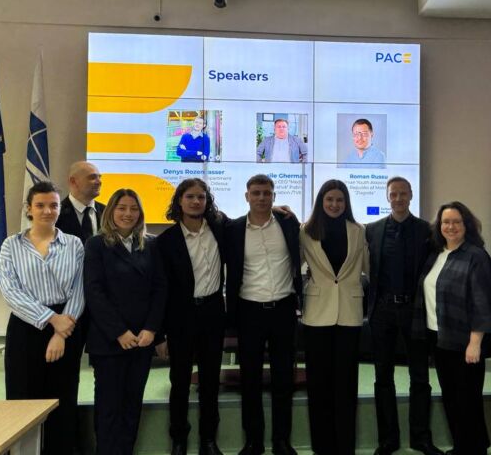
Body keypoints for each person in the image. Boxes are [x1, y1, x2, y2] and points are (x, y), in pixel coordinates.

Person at [0, 181, 85, 455]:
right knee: (23, 397)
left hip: (67, 327)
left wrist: (60, 331)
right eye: (41, 205)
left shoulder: (74, 244)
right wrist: (50, 319)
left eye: (54, 205)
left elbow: (80, 289)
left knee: (62, 398)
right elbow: (10, 291)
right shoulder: (11, 245)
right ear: (29, 209)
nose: (48, 211)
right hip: (26, 328)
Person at [83, 189, 166, 455]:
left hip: (142, 340)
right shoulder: (96, 244)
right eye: (121, 208)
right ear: (111, 211)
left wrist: (151, 329)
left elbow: (160, 289)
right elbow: (94, 292)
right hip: (109, 341)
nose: (128, 214)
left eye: (133, 208)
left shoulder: (151, 244)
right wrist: (119, 332)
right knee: (108, 408)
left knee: (132, 406)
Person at [225, 174, 303, 455]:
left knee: (284, 378)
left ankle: (282, 440)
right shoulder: (233, 229)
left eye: (267, 193)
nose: (261, 197)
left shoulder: (288, 222)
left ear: (274, 196)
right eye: (256, 193)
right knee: (250, 380)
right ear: (246, 196)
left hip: (283, 310)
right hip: (249, 312)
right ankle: (253, 441)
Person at [412, 201, 491, 455]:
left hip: (465, 342)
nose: (451, 227)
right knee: (451, 397)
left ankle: (474, 449)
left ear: (466, 225)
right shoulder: (436, 254)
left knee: (468, 401)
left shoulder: (476, 256)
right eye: (446, 222)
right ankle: (463, 447)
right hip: (439, 338)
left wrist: (475, 342)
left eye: (456, 222)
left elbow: (481, 301)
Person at [365, 177, 441, 455]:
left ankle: (421, 438)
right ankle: (388, 439)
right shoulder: (372, 230)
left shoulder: (426, 231)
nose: (398, 198)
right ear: (387, 197)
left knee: (420, 376)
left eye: (403, 194)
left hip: (415, 311)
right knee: (382, 376)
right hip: (382, 311)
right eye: (393, 194)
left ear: (411, 195)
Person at [155, 178, 228, 455]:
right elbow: (161, 289)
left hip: (212, 314)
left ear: (207, 201)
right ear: (179, 201)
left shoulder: (220, 229)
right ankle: (179, 439)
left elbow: (250, 219)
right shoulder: (166, 241)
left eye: (201, 197)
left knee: (210, 380)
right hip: (180, 317)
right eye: (190, 197)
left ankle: (208, 439)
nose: (196, 201)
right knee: (180, 380)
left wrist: (278, 208)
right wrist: (160, 334)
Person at [300, 179, 369, 455]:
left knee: (346, 383)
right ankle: (323, 446)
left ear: (346, 202)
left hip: (349, 315)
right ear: (321, 201)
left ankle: (345, 445)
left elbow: (369, 267)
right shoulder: (306, 231)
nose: (334, 204)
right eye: (329, 199)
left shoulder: (359, 230)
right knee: (318, 384)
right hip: (317, 315)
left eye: (340, 200)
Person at [57, 161, 105, 243]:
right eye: (92, 177)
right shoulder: (56, 213)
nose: (99, 182)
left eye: (99, 177)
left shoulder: (107, 212)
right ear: (73, 181)